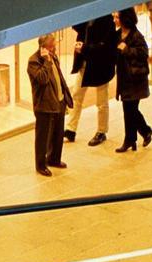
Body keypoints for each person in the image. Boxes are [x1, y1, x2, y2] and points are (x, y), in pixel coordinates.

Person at [64, 14, 116, 146]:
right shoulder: (88, 14)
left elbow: (105, 48)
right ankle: (71, 129)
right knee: (76, 95)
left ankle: (102, 131)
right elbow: (78, 27)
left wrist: (84, 48)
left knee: (101, 101)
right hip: (86, 62)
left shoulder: (107, 20)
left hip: (100, 65)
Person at [27, 33, 73, 177]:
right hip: (44, 104)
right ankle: (40, 165)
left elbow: (58, 76)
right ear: (44, 46)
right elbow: (42, 79)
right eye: (52, 44)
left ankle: (54, 159)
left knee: (58, 133)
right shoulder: (34, 61)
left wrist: (65, 95)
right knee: (43, 136)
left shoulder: (53, 56)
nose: (55, 46)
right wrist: (46, 61)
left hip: (58, 101)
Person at [113, 7, 152, 153]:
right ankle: (144, 133)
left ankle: (130, 139)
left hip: (135, 80)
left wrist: (126, 50)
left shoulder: (136, 36)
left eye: (117, 17)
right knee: (131, 110)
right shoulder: (118, 34)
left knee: (129, 110)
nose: (115, 19)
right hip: (125, 78)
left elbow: (143, 53)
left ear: (125, 18)